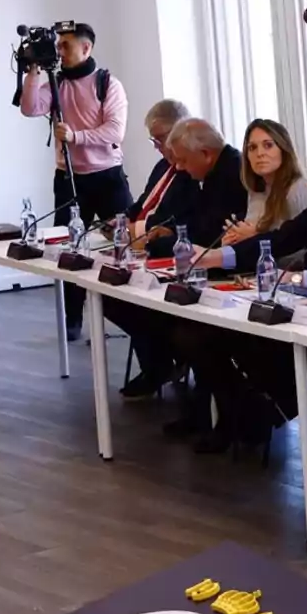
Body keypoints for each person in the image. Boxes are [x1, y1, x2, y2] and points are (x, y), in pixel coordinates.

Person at [177, 131, 307, 453]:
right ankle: (266, 410)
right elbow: (285, 237)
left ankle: (297, 420)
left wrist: (300, 279)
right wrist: (218, 256)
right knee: (232, 337)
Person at [20, 22, 131, 341]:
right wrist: (33, 71)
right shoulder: (56, 83)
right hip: (69, 180)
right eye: (58, 45)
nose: (59, 51)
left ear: (86, 48)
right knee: (69, 249)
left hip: (108, 177)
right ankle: (72, 318)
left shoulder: (108, 83)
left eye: (65, 46)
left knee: (126, 243)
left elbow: (115, 132)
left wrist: (75, 136)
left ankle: (134, 311)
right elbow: (30, 108)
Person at [102, 99, 197, 398]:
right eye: (153, 139)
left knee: (136, 298)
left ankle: (163, 364)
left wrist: (136, 230)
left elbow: (173, 219)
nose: (157, 146)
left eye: (161, 138)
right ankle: (160, 362)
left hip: (169, 253)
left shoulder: (189, 170)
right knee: (108, 294)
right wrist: (119, 221)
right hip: (140, 248)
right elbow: (141, 205)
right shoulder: (162, 167)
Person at [223, 118, 307, 246]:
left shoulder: (298, 189)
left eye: (268, 145)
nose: (259, 153)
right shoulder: (256, 191)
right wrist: (232, 241)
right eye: (252, 147)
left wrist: (255, 238)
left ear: (283, 150)